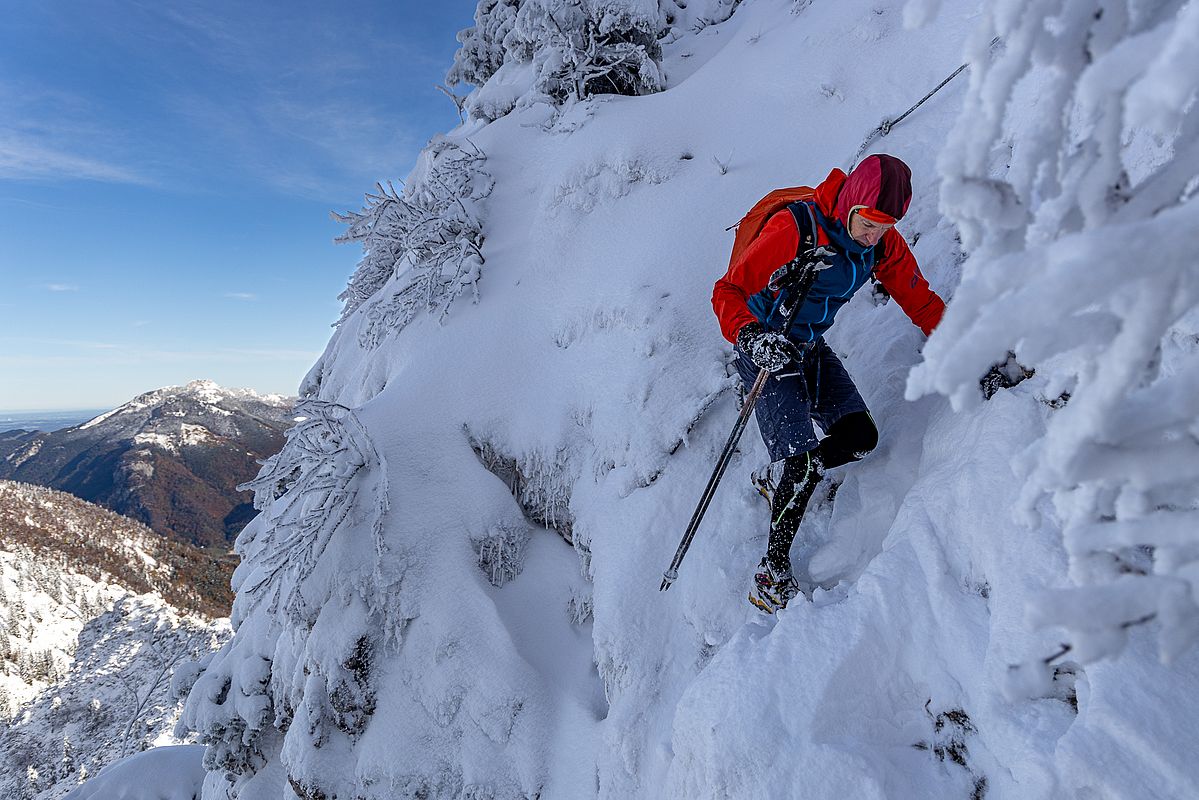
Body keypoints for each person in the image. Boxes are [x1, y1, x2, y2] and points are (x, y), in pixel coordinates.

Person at [711, 153, 945, 613]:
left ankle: (786, 479)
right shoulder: (796, 229)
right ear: (852, 204)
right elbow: (727, 292)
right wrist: (753, 338)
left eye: (886, 224)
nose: (873, 234)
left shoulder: (881, 245)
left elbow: (920, 300)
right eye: (869, 222)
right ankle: (771, 574)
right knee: (798, 459)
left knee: (860, 438)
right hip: (765, 346)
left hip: (807, 347)